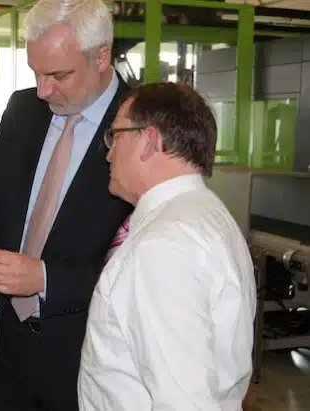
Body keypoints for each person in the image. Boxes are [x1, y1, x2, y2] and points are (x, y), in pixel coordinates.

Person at [0, 0, 133, 409]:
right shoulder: (23, 109)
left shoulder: (143, 128)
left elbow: (144, 269)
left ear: (101, 56)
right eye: (35, 71)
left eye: (58, 74)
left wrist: (48, 279)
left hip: (90, 356)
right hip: (9, 343)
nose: (43, 89)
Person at [78, 82, 257, 410]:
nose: (108, 152)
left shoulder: (163, 247)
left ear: (148, 141)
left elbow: (185, 402)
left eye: (115, 135)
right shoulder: (206, 214)